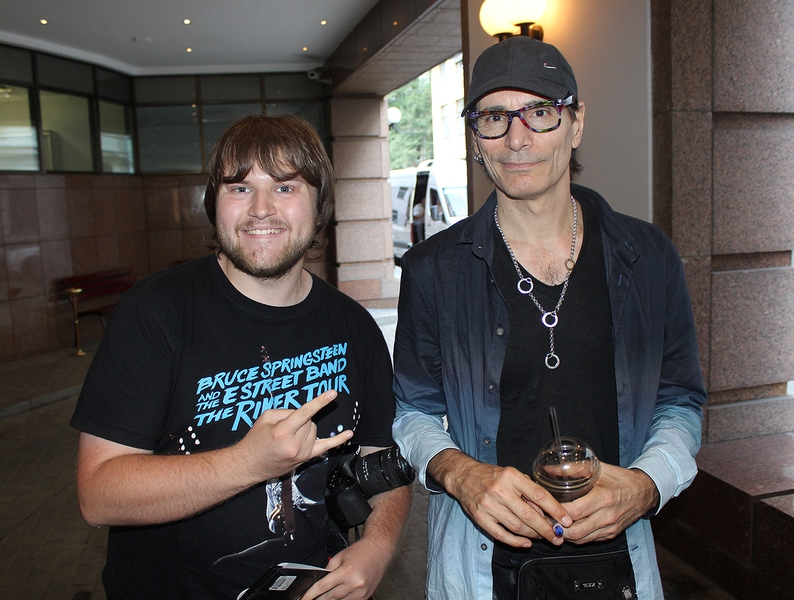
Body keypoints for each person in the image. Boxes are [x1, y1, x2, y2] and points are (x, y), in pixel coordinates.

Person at [392, 36, 706, 600]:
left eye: (540, 112)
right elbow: (413, 411)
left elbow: (679, 401)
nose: (517, 139)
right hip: (481, 569)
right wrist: (461, 475)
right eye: (494, 117)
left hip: (619, 562)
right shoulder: (433, 269)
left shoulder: (649, 256)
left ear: (575, 122)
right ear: (474, 135)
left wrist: (646, 484)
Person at [71, 113, 411, 600]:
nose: (261, 209)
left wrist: (378, 547)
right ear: (215, 206)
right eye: (239, 188)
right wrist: (247, 464)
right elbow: (98, 495)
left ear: (320, 208)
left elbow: (383, 461)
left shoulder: (354, 327)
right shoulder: (156, 313)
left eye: (286, 187)